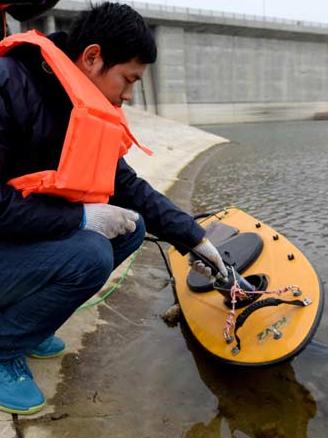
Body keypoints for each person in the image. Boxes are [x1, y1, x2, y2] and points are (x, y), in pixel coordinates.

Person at [0, 1, 227, 415]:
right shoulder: (9, 84)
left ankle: (26, 326)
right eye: (127, 80)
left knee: (131, 227)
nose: (126, 96)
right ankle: (4, 347)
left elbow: (128, 186)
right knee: (91, 252)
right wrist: (81, 218)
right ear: (92, 58)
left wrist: (193, 239)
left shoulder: (78, 104)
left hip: (16, 242)